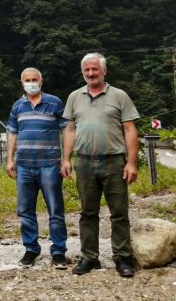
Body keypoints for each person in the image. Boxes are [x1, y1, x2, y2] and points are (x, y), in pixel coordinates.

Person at [61, 53, 140, 278]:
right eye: (86, 70)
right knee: (87, 212)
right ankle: (89, 257)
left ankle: (122, 257)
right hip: (84, 161)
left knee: (119, 212)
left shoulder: (119, 96)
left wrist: (132, 163)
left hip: (114, 161)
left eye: (95, 69)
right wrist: (66, 158)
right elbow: (69, 129)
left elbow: (130, 130)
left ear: (104, 71)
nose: (90, 73)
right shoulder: (75, 97)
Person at [6, 68, 68, 269]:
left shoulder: (55, 103)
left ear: (41, 81)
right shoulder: (18, 106)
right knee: (25, 211)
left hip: (49, 165)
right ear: (21, 82)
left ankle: (58, 251)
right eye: (27, 80)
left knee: (55, 210)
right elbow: (12, 133)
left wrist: (66, 158)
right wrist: (10, 159)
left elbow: (66, 129)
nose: (31, 83)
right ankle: (31, 248)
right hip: (24, 166)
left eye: (34, 79)